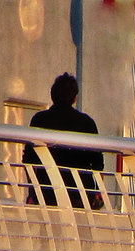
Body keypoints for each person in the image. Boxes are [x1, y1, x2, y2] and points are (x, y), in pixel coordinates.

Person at [27, 73, 103, 209]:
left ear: (52, 94)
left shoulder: (39, 120)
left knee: (47, 229)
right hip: (80, 193)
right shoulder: (87, 123)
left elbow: (29, 160)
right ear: (74, 98)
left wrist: (32, 191)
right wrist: (98, 192)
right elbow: (97, 164)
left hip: (47, 191)